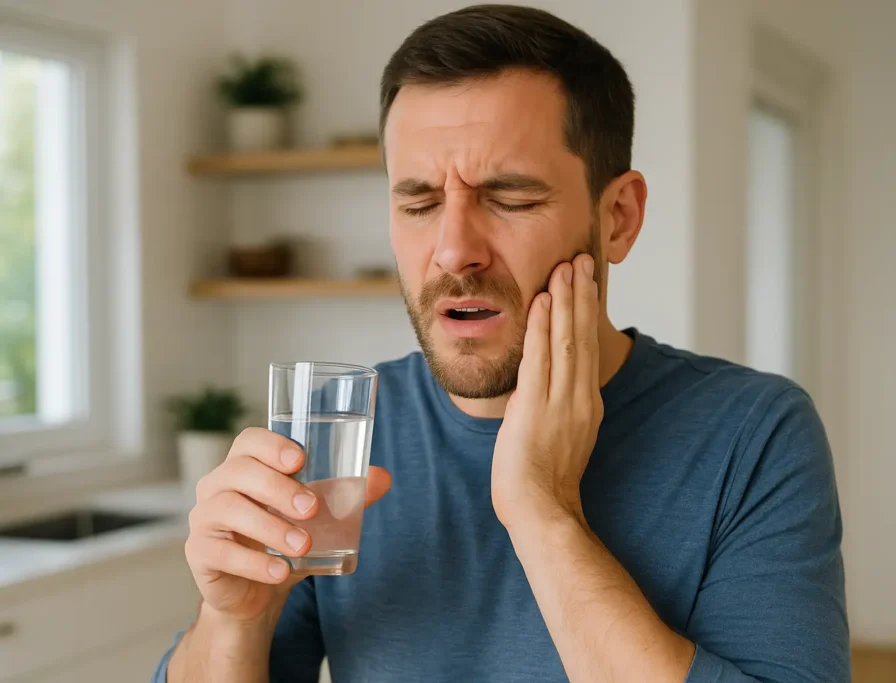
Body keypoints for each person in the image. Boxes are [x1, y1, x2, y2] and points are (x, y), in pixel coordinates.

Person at [154, 5, 850, 682]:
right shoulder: (344, 435)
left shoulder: (754, 434)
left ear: (618, 218)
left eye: (510, 198)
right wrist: (232, 622)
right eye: (419, 203)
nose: (454, 250)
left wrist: (544, 512)